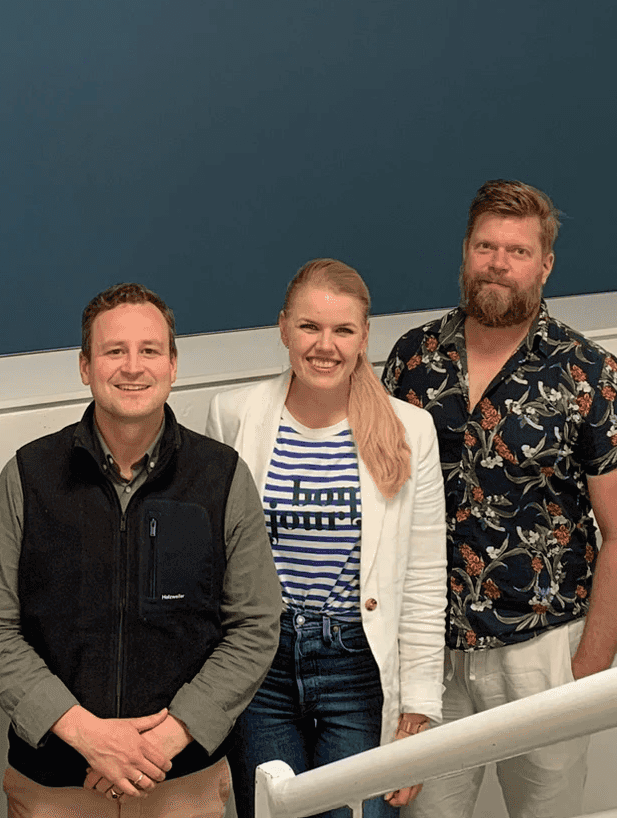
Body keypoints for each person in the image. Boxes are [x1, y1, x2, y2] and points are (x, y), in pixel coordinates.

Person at [382, 182, 617, 818]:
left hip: (542, 650)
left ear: (545, 264)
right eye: (485, 246)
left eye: (518, 251)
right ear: (465, 253)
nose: (498, 263)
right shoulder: (414, 359)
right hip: (429, 652)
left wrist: (588, 672)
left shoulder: (591, 375)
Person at [0, 282, 283, 817]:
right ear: (85, 366)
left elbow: (254, 625)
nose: (133, 367)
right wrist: (86, 735)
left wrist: (166, 739)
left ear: (173, 365)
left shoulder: (222, 477)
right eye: (114, 351)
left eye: (149, 350)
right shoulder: (28, 476)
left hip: (182, 783)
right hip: (56, 788)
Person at [205, 260, 447, 818]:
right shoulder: (234, 416)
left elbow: (424, 578)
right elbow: (215, 564)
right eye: (309, 327)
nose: (325, 346)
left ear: (364, 337)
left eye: (343, 330)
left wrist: (418, 708)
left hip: (358, 671)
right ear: (283, 328)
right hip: (262, 666)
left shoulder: (410, 430)